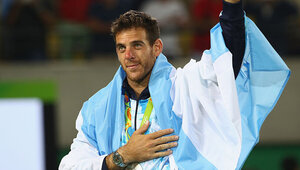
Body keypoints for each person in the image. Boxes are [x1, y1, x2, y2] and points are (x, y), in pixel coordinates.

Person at [59, 0, 290, 169]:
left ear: (157, 47)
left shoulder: (185, 86)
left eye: (137, 45)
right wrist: (122, 156)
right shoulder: (97, 108)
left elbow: (226, 60)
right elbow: (70, 167)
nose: (128, 55)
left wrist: (231, 5)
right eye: (121, 47)